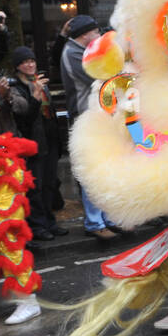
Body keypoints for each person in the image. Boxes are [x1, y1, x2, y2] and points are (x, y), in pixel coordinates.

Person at [61, 14, 123, 240]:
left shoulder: (83, 52)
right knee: (93, 172)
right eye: (96, 32)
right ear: (85, 34)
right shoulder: (73, 54)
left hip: (101, 117)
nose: (99, 36)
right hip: (86, 118)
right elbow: (102, 74)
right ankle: (95, 221)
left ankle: (110, 218)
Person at [6, 45, 68, 241]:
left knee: (50, 184)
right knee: (36, 186)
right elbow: (24, 117)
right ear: (17, 67)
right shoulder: (15, 88)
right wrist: (34, 95)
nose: (30, 64)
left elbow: (51, 114)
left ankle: (50, 221)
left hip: (50, 140)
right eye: (25, 62)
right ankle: (38, 225)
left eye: (31, 61)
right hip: (32, 143)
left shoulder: (40, 82)